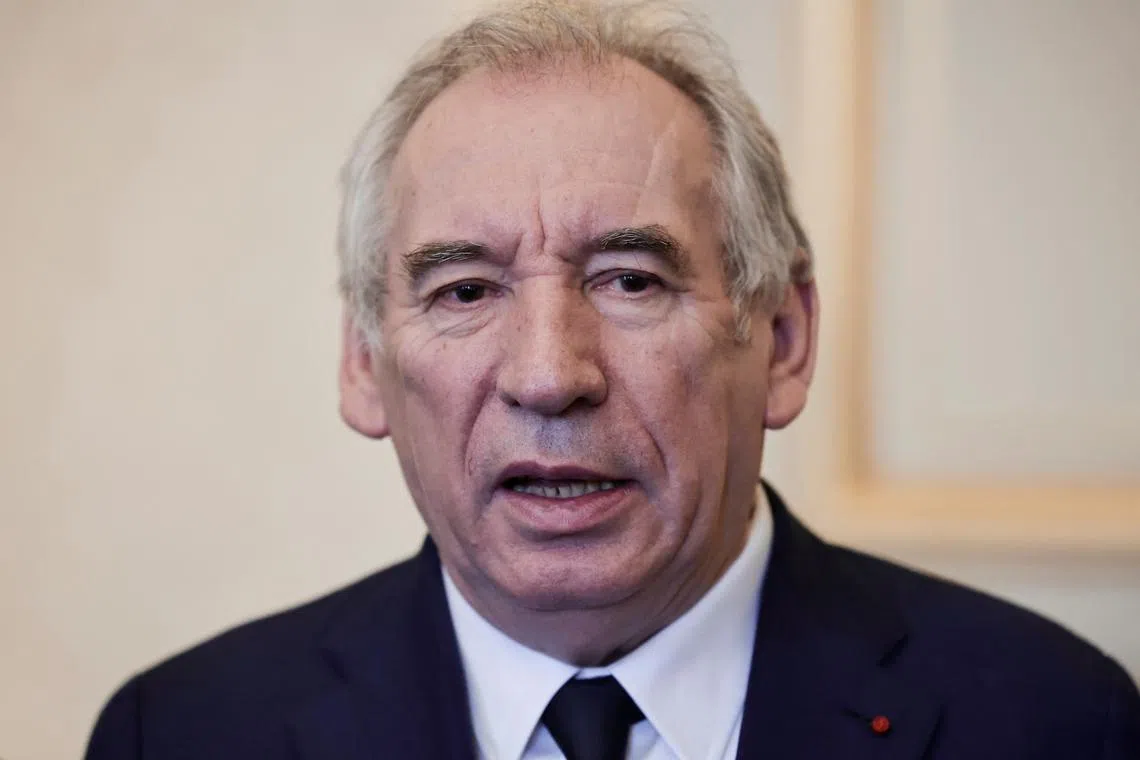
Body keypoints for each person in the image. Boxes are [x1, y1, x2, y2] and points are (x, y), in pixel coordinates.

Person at [85, 1, 1140, 758]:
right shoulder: (177, 732)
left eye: (631, 279)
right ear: (364, 361)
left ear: (781, 339)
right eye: (463, 290)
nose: (549, 375)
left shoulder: (1060, 721)